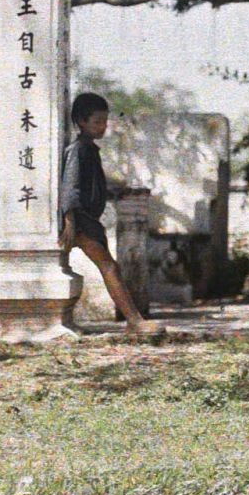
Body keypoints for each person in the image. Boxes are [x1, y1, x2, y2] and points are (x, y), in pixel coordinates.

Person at [61, 91, 160, 335]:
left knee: (107, 266)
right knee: (109, 267)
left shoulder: (89, 149)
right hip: (81, 220)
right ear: (81, 122)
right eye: (97, 121)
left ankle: (132, 320)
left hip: (89, 220)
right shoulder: (78, 150)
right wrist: (70, 222)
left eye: (105, 121)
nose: (103, 127)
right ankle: (134, 321)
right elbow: (70, 187)